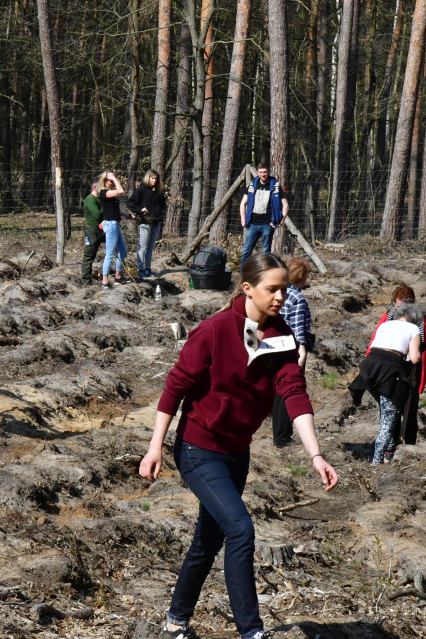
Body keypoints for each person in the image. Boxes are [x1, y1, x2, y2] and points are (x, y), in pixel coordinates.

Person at [139, 254, 338, 639]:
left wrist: (316, 455)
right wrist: (155, 448)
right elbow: (175, 388)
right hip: (198, 449)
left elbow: (294, 394)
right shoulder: (214, 331)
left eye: (285, 288)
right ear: (248, 288)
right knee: (241, 530)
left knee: (208, 539)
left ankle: (175, 623)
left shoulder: (281, 337)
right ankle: (252, 632)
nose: (282, 296)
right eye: (273, 289)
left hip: (237, 452)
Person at [366, 285, 426, 446]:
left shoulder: (421, 320)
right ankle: (392, 445)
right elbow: (376, 339)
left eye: (406, 306)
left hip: (413, 371)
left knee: (410, 411)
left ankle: (410, 446)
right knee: (391, 409)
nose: (401, 310)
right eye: (398, 306)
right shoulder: (389, 317)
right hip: (391, 370)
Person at [350, 303, 423, 465]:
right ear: (414, 319)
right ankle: (377, 462)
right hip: (389, 369)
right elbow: (414, 358)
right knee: (387, 420)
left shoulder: (385, 324)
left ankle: (390, 448)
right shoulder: (413, 329)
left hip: (369, 367)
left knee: (388, 410)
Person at [271, 257, 314, 448]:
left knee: (277, 391)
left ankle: (280, 434)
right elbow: (297, 328)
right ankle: (282, 437)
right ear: (302, 276)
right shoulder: (297, 298)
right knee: (288, 392)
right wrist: (302, 351)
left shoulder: (279, 293)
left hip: (275, 345)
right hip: (291, 348)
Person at [238, 163, 288, 269]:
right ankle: (243, 277)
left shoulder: (275, 186)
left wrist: (280, 221)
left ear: (268, 172)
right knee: (246, 252)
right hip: (252, 225)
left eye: (265, 172)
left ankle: (264, 277)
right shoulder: (252, 185)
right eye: (260, 172)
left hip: (267, 225)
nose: (263, 174)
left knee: (266, 254)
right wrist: (243, 220)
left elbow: (286, 205)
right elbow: (243, 203)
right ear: (257, 173)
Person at [126, 169, 167, 279]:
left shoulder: (159, 191)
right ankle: (141, 269)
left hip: (156, 223)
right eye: (152, 178)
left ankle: (148, 269)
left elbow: (163, 205)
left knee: (150, 247)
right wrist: (140, 210)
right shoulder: (142, 190)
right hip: (145, 222)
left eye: (156, 179)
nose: (154, 180)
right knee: (142, 247)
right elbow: (130, 203)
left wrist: (161, 215)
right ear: (148, 178)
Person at [98, 171, 129, 290]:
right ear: (104, 181)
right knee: (110, 253)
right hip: (110, 225)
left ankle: (118, 276)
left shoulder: (111, 195)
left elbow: (113, 210)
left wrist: (126, 215)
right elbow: (121, 191)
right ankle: (104, 281)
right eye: (109, 180)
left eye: (112, 180)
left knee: (123, 250)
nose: (112, 182)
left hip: (115, 224)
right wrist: (115, 178)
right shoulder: (104, 192)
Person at [80, 177, 105, 285]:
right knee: (89, 256)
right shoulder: (90, 199)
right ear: (95, 187)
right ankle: (86, 282)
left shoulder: (98, 199)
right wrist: (106, 204)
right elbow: (97, 214)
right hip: (92, 230)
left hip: (101, 230)